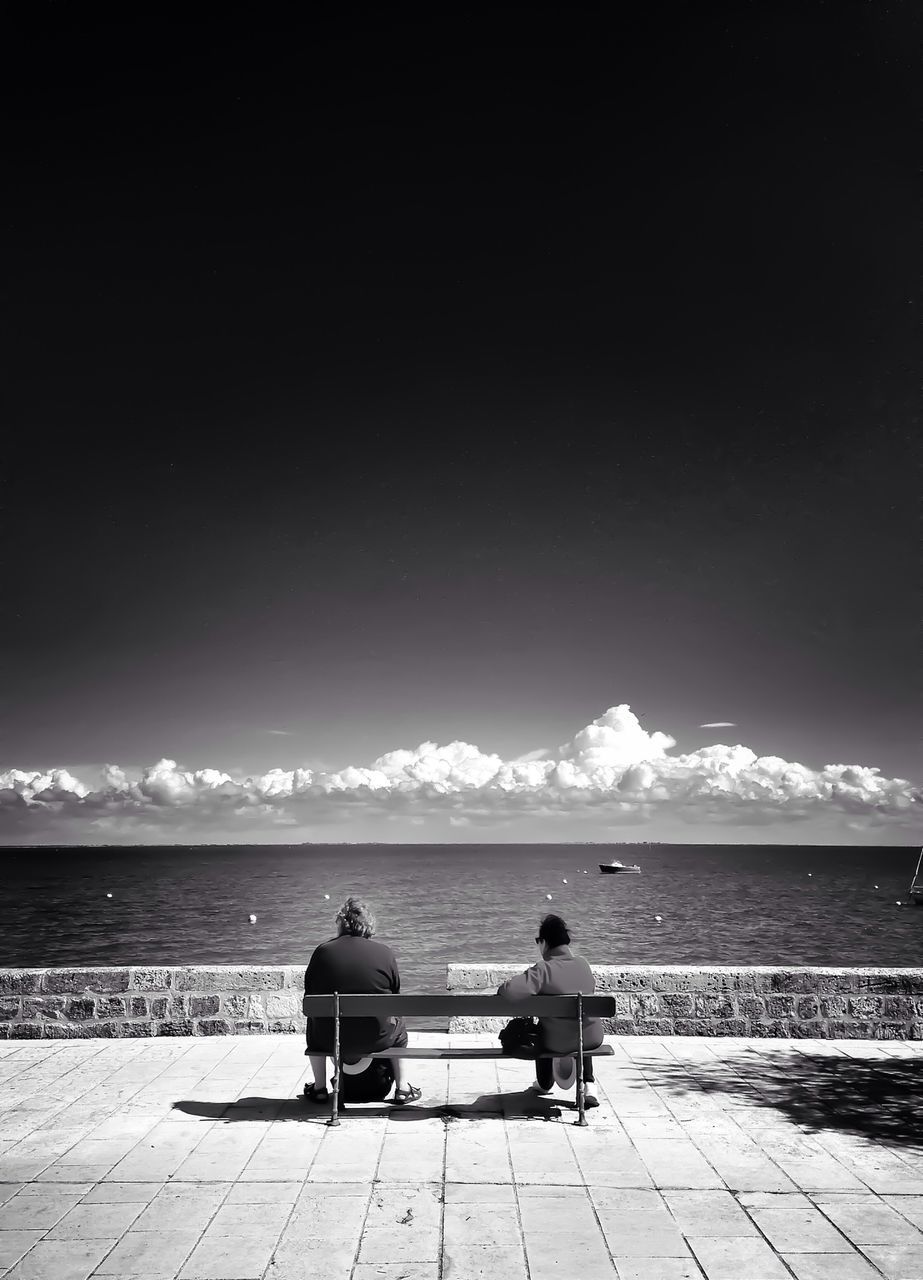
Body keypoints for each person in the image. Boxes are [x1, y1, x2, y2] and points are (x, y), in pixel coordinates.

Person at [303, 896, 421, 1105]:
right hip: (377, 1038)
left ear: (340, 924)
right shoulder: (384, 953)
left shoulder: (322, 952)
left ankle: (320, 1087)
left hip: (330, 1038)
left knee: (313, 1023)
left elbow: (309, 998)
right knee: (399, 1024)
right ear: (369, 925)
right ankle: (402, 1088)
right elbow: (395, 996)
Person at [497, 913, 603, 1107]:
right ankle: (589, 1085)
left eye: (538, 941)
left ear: (544, 942)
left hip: (558, 1042)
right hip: (592, 1038)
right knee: (579, 1026)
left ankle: (545, 1084)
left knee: (542, 1030)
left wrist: (503, 986)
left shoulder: (543, 970)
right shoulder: (584, 965)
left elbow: (510, 991)